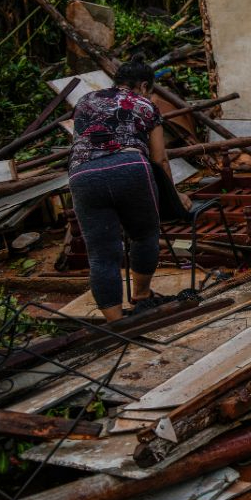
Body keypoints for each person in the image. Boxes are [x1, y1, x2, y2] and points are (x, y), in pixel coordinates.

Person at [68, 62, 190, 323]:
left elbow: (81, 143)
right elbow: (160, 160)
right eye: (149, 90)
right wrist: (175, 196)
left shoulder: (85, 100)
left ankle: (117, 324)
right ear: (144, 85)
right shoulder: (145, 105)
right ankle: (142, 296)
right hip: (130, 167)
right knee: (144, 235)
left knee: (101, 254)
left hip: (83, 175)